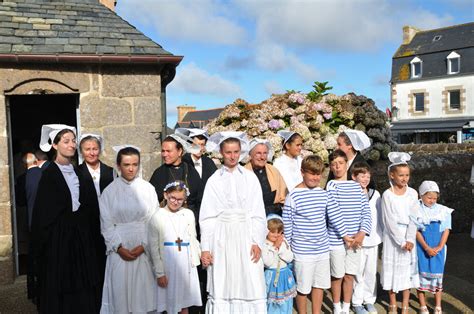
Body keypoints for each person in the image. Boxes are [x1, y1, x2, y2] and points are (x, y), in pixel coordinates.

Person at [31, 124, 101, 313]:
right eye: (66, 141)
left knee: (82, 285)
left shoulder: (79, 172)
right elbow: (43, 214)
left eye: (73, 140)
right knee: (62, 285)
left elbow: (88, 206)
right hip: (59, 242)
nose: (72, 145)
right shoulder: (49, 175)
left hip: (81, 239)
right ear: (55, 145)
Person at [199, 131, 267, 313]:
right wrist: (206, 247)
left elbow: (258, 213)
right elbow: (207, 217)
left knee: (250, 279)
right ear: (221, 152)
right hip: (222, 238)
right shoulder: (214, 180)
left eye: (236, 152)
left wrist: (257, 241)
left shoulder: (250, 177)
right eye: (228, 152)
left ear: (241, 151)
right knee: (224, 281)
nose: (232, 156)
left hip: (246, 235)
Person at [283, 155, 351, 314]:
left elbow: (335, 215)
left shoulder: (324, 193)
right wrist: (288, 248)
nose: (315, 177)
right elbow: (288, 224)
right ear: (302, 172)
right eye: (311, 173)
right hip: (302, 252)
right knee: (303, 288)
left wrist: (345, 235)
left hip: (322, 250)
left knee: (319, 285)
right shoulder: (293, 196)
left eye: (318, 174)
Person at [99, 146, 157, 314]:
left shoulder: (148, 189)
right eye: (126, 164)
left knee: (144, 293)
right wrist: (118, 247)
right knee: (120, 293)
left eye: (135, 164)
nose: (131, 168)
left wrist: (143, 246)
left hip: (143, 247)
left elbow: (153, 220)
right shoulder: (109, 192)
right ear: (118, 166)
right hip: (119, 248)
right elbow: (106, 224)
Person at [326, 150, 372, 314]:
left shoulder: (357, 187)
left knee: (349, 275)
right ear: (331, 168)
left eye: (340, 163)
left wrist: (361, 234)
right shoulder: (331, 185)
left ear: (347, 164)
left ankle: (347, 306)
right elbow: (333, 212)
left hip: (356, 241)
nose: (337, 167)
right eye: (333, 164)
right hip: (337, 239)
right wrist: (345, 236)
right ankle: (337, 306)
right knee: (337, 276)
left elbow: (365, 212)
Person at [148, 181, 202, 314]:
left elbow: (193, 238)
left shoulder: (188, 214)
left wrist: (200, 255)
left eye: (180, 199)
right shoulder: (157, 216)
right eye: (173, 198)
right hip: (167, 263)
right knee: (166, 301)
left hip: (186, 264)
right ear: (165, 195)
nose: (176, 202)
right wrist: (160, 273)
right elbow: (153, 248)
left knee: (184, 302)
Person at [381, 152, 419, 314]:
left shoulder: (413, 193)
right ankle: (392, 302)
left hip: (409, 237)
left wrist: (409, 239)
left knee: (407, 271)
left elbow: (414, 218)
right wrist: (401, 241)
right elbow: (389, 221)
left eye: (407, 175)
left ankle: (405, 303)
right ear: (392, 175)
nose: (404, 178)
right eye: (401, 175)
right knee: (392, 270)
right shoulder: (387, 195)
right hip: (393, 238)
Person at [78, 133, 115, 297]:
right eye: (87, 149)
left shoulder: (110, 172)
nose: (92, 153)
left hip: (108, 223)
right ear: (81, 152)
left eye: (95, 149)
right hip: (87, 225)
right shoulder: (76, 172)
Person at [415, 181, 453, 314]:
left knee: (438, 277)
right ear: (421, 195)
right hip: (421, 247)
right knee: (420, 276)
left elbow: (446, 230)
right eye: (429, 197)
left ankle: (438, 305)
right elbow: (415, 230)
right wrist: (426, 247)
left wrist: (440, 246)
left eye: (435, 198)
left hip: (438, 248)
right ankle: (423, 305)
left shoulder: (443, 211)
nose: (432, 200)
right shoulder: (416, 209)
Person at [350, 162, 383, 314]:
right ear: (353, 177)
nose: (365, 179)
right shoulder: (350, 194)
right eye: (362, 176)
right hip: (357, 241)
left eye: (368, 176)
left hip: (373, 240)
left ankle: (369, 300)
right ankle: (356, 302)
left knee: (370, 272)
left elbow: (380, 217)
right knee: (358, 272)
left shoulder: (375, 195)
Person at [150, 133, 203, 220]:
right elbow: (151, 201)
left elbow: (199, 200)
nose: (164, 154)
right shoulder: (159, 173)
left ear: (179, 151)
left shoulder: (191, 172)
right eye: (163, 151)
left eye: (168, 151)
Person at [262, 214, 296, 314]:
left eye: (279, 232)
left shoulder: (283, 242)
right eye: (272, 232)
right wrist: (274, 247)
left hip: (285, 276)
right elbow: (268, 262)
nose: (276, 235)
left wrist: (280, 248)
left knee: (286, 301)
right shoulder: (264, 244)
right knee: (273, 303)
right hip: (272, 276)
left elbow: (290, 258)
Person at [245, 138, 288, 216]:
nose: (262, 157)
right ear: (250, 155)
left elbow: (283, 196)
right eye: (258, 153)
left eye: (265, 153)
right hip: (252, 215)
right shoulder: (244, 173)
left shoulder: (273, 171)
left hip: (274, 214)